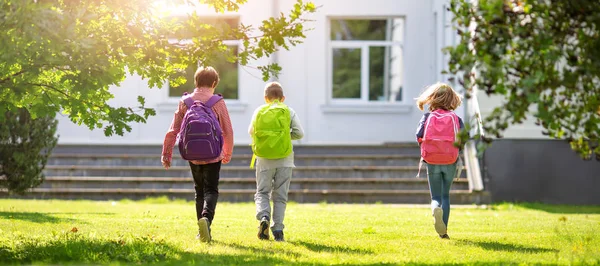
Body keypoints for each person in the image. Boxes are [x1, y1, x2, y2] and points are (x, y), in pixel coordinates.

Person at [161, 66, 234, 242]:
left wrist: (167, 154)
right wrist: (227, 153)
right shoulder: (217, 102)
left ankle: (200, 230)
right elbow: (227, 130)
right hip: (213, 154)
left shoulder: (185, 101)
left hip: (192, 154)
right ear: (214, 83)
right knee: (211, 190)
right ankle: (206, 220)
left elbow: (173, 130)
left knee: (199, 191)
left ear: (196, 82)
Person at [248, 81, 304, 242]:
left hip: (264, 159)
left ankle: (264, 216)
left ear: (266, 98)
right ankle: (278, 230)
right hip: (285, 159)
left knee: (262, 192)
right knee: (280, 196)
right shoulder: (289, 111)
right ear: (283, 97)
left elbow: (251, 132)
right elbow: (300, 133)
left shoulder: (259, 110)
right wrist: (285, 138)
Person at [415, 82, 465, 239]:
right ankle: (444, 232)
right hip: (450, 160)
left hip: (431, 160)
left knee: (435, 197)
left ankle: (435, 210)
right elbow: (463, 138)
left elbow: (418, 135)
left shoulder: (427, 117)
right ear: (452, 99)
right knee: (445, 196)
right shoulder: (455, 118)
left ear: (432, 98)